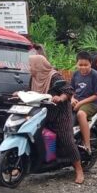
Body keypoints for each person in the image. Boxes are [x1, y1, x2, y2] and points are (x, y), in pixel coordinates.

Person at [29, 55, 85, 184]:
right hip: (41, 112)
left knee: (66, 139)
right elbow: (30, 92)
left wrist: (61, 98)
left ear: (38, 66)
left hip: (60, 114)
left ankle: (79, 170)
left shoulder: (54, 77)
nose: (30, 68)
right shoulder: (33, 77)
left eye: (31, 65)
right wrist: (20, 94)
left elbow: (68, 90)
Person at [71, 51, 97, 154]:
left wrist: (80, 103)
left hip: (91, 103)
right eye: (80, 65)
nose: (83, 67)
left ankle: (87, 144)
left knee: (80, 114)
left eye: (85, 65)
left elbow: (96, 95)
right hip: (77, 101)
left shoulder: (95, 75)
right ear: (76, 64)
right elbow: (71, 90)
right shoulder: (75, 74)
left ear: (90, 63)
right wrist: (72, 99)